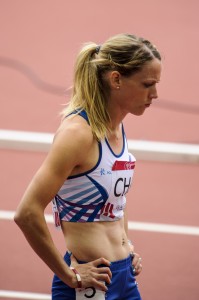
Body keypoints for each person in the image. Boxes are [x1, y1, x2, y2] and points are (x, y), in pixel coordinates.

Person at [14, 33, 161, 300]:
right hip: (90, 286)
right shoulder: (78, 134)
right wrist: (69, 276)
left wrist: (127, 246)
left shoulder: (117, 128)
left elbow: (116, 200)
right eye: (147, 84)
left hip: (124, 276)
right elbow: (26, 213)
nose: (155, 94)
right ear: (116, 79)